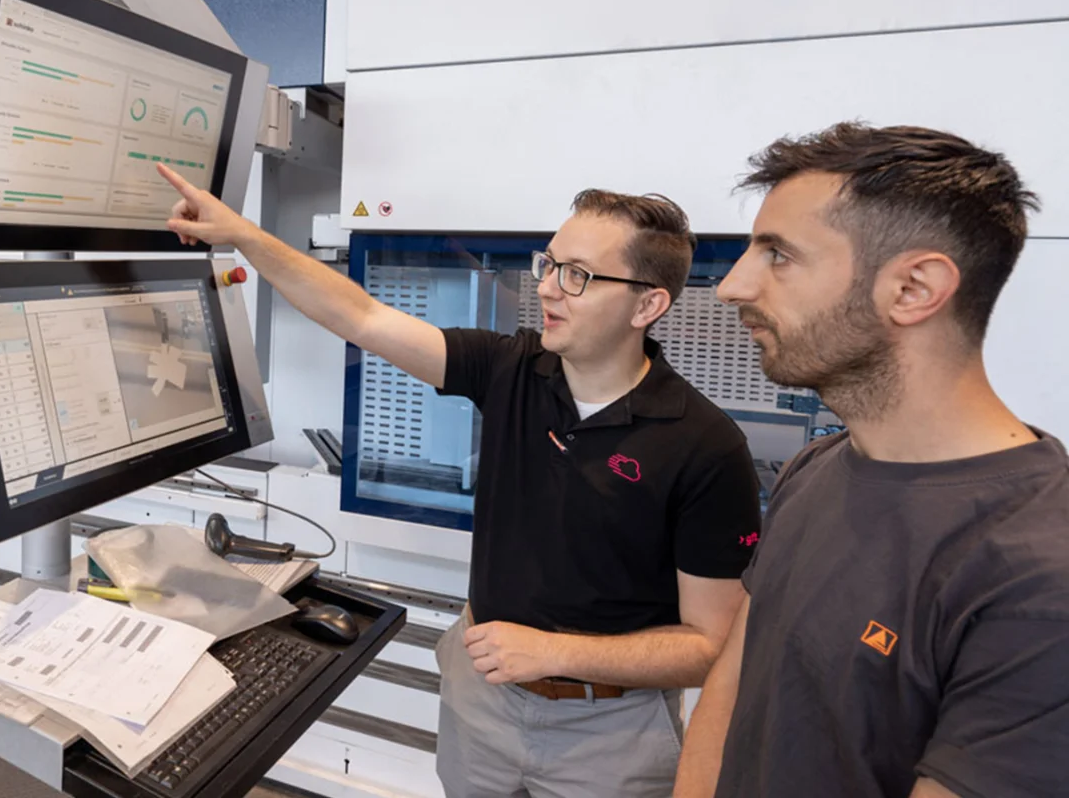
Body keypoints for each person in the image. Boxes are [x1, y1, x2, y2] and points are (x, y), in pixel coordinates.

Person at [156, 164, 761, 797]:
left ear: (649, 303)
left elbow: (707, 645)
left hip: (611, 732)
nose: (549, 290)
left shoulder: (706, 447)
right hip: (483, 701)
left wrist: (558, 654)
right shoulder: (512, 369)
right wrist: (242, 234)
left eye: (578, 276)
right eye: (548, 264)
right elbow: (360, 316)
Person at [674, 123, 1069, 798]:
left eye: (778, 255)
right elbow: (732, 691)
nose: (732, 287)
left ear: (914, 288)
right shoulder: (816, 469)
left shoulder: (1038, 575)